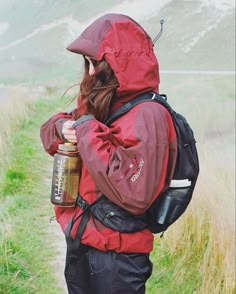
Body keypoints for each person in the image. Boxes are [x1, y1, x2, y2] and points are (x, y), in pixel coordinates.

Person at [40, 13, 177, 294]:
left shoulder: (149, 115)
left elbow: (134, 193)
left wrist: (87, 130)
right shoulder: (102, 101)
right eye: (87, 63)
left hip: (119, 257)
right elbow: (48, 131)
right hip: (81, 239)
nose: (90, 72)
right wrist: (63, 127)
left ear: (118, 64)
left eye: (95, 63)